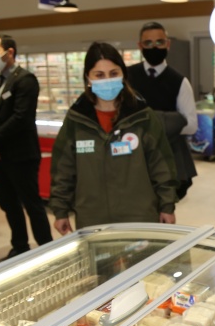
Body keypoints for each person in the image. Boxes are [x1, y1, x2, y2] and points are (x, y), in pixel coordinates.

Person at [50, 42, 178, 234]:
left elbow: (161, 164)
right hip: (92, 218)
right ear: (88, 78)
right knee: (100, 264)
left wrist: (167, 205)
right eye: (99, 75)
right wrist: (60, 210)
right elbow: (64, 168)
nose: (107, 80)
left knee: (142, 263)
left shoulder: (142, 116)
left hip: (140, 216)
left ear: (123, 75)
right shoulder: (77, 119)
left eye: (113, 73)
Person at [0, 34, 53, 262]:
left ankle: (48, 251)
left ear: (9, 52)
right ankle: (19, 246)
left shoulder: (26, 80)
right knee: (9, 204)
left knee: (32, 205)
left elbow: (21, 118)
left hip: (21, 156)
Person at [127, 22, 197, 200]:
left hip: (168, 157)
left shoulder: (180, 81)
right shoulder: (127, 77)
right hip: (132, 155)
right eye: (148, 43)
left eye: (159, 42)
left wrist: (151, 124)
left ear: (168, 44)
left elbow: (190, 125)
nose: (154, 47)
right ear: (140, 46)